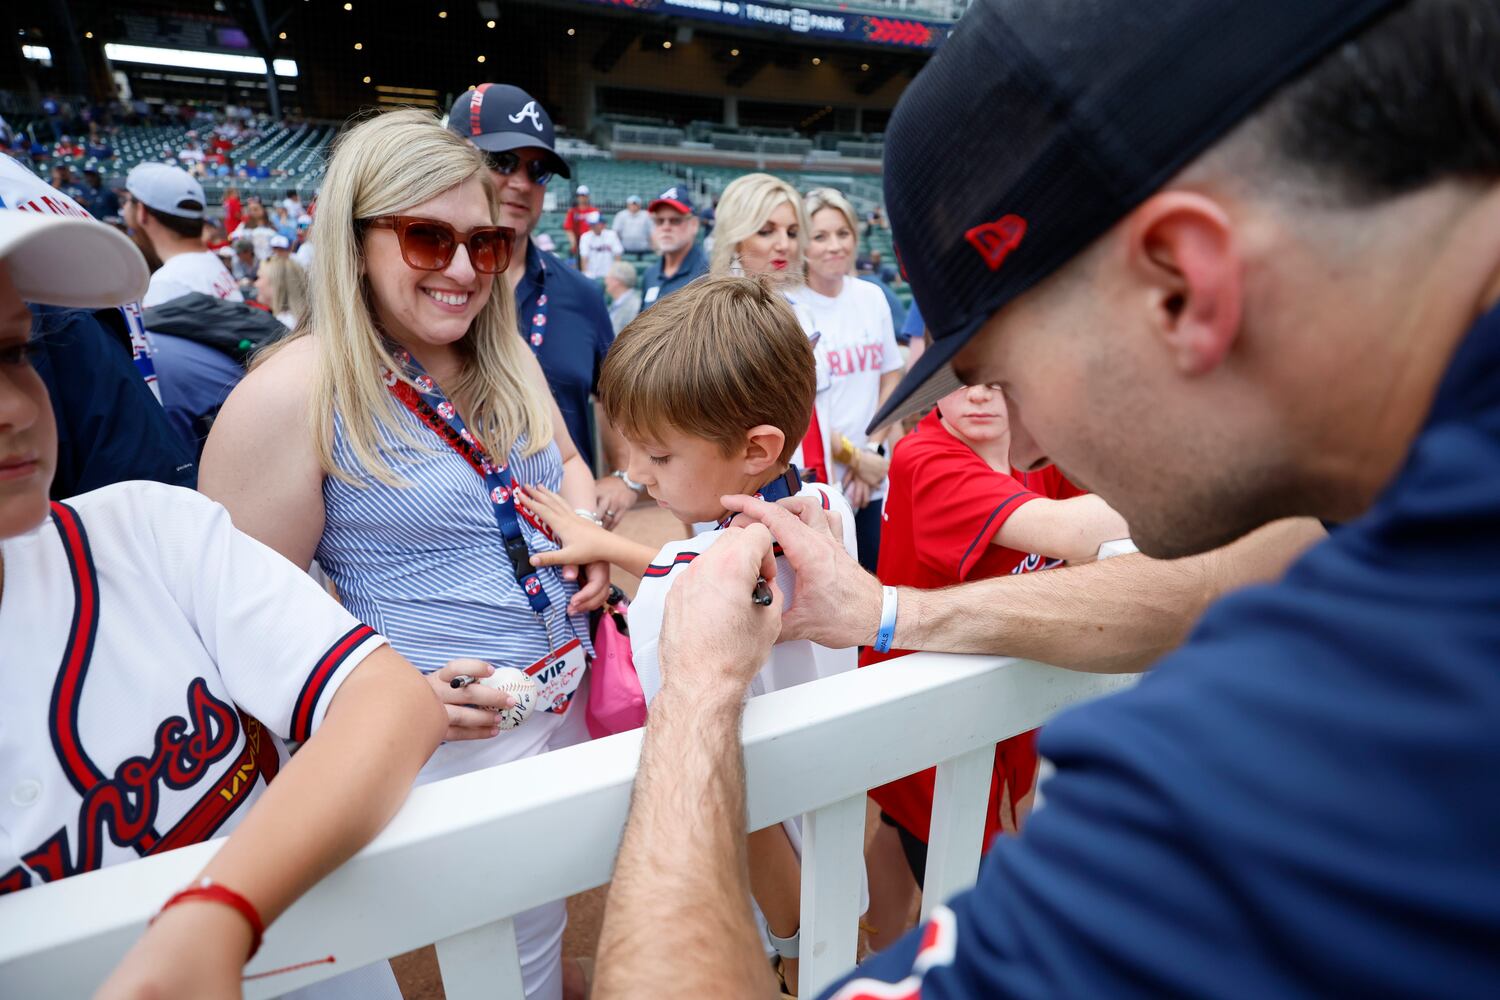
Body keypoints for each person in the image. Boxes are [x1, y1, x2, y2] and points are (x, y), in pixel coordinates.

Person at [592, 0, 1500, 996]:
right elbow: (1236, 569)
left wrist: (695, 699)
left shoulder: (1285, 763)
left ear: (1180, 289)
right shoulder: (1403, 495)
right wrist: (890, 609)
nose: (1021, 432)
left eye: (1003, 377)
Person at [0, 189, 449, 1000]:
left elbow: (393, 704)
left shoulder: (144, 529)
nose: (11, 407)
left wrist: (213, 916)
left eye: (12, 353)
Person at [200, 109, 607, 1000]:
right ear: (357, 240)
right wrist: (393, 705)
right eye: (427, 239)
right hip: (443, 742)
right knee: (469, 970)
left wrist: (587, 535)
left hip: (568, 701)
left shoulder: (503, 353)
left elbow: (571, 462)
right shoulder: (290, 395)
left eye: (485, 245)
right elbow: (230, 640)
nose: (463, 270)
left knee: (537, 940)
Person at [516, 276, 862, 997]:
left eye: (660, 456)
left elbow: (728, 785)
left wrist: (793, 939)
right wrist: (612, 546)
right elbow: (701, 558)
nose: (637, 475)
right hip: (834, 826)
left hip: (765, 886)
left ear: (756, 448)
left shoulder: (679, 587)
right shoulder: (826, 508)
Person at [860, 382, 1127, 947]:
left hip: (991, 690)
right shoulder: (924, 454)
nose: (977, 395)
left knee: (901, 827)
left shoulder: (1029, 451)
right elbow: (1081, 529)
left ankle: (866, 951)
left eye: (993, 378)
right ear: (933, 389)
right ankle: (880, 960)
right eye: (957, 379)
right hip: (925, 707)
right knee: (967, 870)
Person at [446, 83, 637, 528]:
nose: (521, 182)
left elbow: (615, 399)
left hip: (569, 549)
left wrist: (625, 476)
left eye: (538, 170)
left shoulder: (581, 294)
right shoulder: (424, 291)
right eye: (501, 160)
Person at [792, 187, 905, 572]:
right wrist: (852, 459)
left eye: (843, 234)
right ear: (803, 245)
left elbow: (890, 376)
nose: (834, 245)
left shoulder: (872, 297)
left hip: (874, 474)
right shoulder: (791, 306)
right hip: (823, 478)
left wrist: (871, 452)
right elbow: (801, 404)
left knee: (878, 579)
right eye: (820, 236)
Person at [710, 173, 833, 484]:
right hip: (747, 490)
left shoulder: (802, 308)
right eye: (766, 231)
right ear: (735, 236)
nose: (784, 245)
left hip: (814, 475)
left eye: (792, 232)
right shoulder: (710, 317)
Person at [126, 163, 242, 307]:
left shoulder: (169, 283)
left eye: (128, 201)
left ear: (141, 212)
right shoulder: (207, 261)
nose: (124, 207)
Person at [639, 187, 708, 311]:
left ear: (694, 225)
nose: (666, 227)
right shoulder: (650, 274)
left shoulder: (708, 273)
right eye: (659, 221)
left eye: (675, 220)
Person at [255, 253, 308, 329]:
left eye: (259, 277)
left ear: (276, 284)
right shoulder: (295, 320)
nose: (256, 284)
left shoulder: (284, 326)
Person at [579, 210, 622, 281]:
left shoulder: (612, 234)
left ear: (601, 223)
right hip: (592, 274)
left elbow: (617, 255)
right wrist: (585, 273)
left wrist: (616, 273)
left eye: (594, 224)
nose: (592, 227)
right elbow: (584, 257)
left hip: (609, 274)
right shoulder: (585, 236)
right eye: (591, 225)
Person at [604, 259, 640, 335]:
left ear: (617, 280)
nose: (605, 280)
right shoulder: (616, 303)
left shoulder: (635, 306)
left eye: (608, 277)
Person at [563, 184, 593, 264]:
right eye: (580, 195)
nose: (582, 197)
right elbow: (568, 228)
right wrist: (574, 243)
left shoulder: (594, 211)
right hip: (577, 244)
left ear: (588, 196)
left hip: (591, 245)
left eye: (584, 195)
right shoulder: (572, 211)